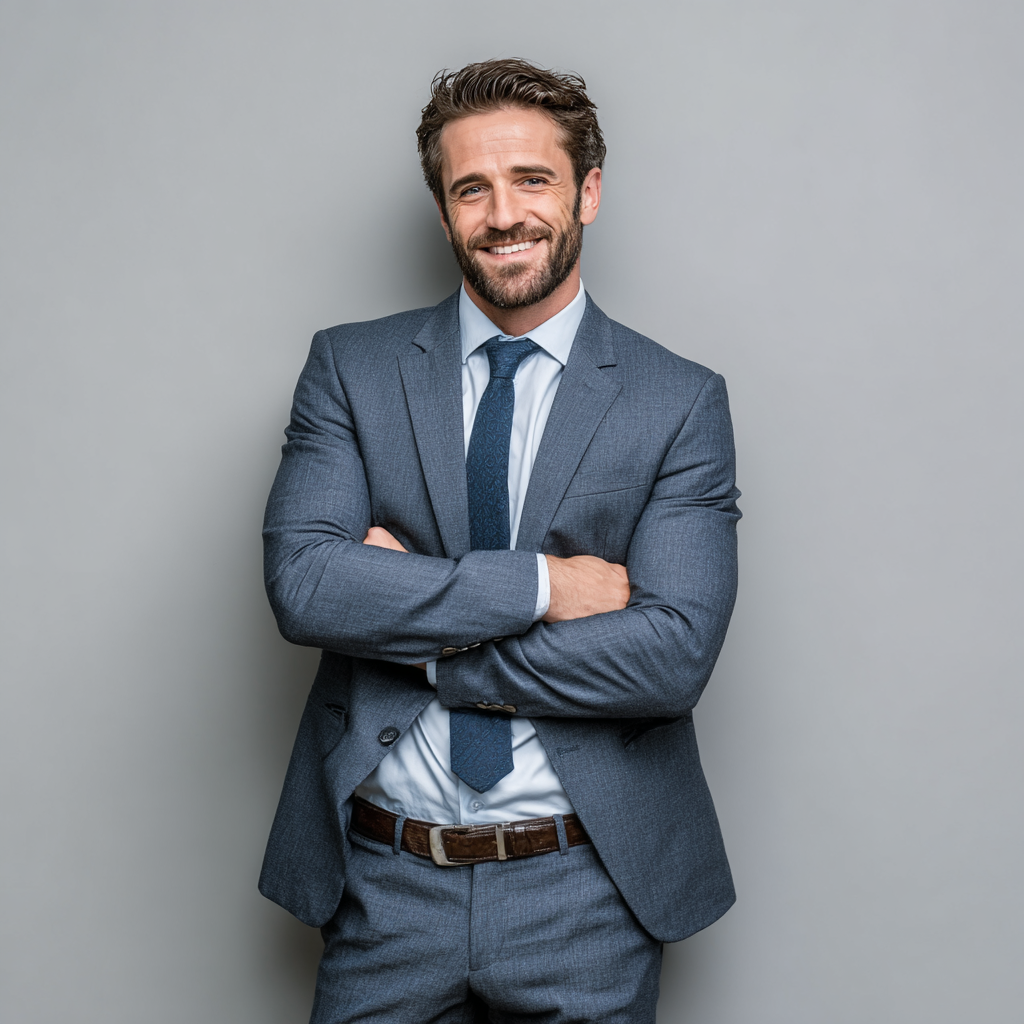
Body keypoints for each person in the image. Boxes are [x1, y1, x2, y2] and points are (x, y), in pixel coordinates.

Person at [260, 58, 741, 1023]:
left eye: (533, 180)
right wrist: (540, 586)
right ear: (443, 212)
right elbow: (307, 584)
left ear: (587, 192)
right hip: (385, 886)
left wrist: (426, 646)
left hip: (587, 893)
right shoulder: (351, 370)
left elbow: (671, 656)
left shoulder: (678, 400)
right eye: (470, 187)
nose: (503, 213)